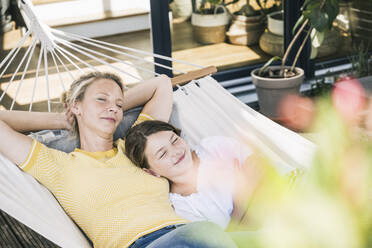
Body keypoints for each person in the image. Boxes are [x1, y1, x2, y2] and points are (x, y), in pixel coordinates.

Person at [0, 72, 238, 248]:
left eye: (119, 104)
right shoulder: (55, 165)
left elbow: (161, 84)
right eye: (101, 99)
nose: (113, 108)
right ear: (76, 106)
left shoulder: (137, 147)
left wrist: (106, 105)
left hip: (190, 233)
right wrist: (62, 120)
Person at [124, 120, 264, 230]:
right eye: (163, 154)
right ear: (151, 172)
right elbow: (227, 241)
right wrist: (241, 201)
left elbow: (261, 168)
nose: (176, 151)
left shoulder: (211, 148)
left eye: (174, 140)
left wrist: (238, 220)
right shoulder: (181, 206)